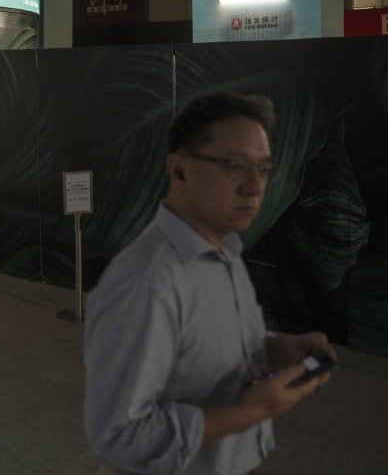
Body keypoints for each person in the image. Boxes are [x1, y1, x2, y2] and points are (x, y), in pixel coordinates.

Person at [83, 92, 337, 475]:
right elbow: (118, 436)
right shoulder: (146, 282)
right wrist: (247, 414)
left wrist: (274, 348)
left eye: (263, 169)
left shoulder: (225, 249)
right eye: (235, 165)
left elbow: (199, 348)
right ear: (179, 170)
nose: (254, 186)